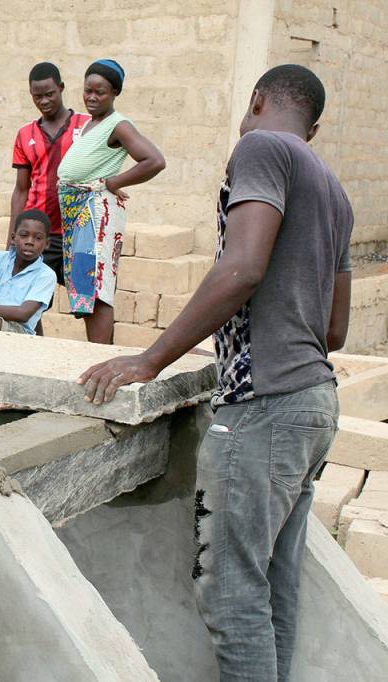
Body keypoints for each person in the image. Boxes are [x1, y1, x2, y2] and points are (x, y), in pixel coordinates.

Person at [78, 65, 352, 682]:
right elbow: (334, 332)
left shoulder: (261, 147)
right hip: (314, 405)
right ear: (317, 124)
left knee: (230, 593)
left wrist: (150, 359)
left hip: (264, 406)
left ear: (256, 101)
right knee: (270, 593)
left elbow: (244, 267)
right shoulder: (333, 189)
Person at [56, 59, 165, 344]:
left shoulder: (119, 125)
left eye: (100, 92)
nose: (91, 97)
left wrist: (114, 182)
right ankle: (98, 352)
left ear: (114, 92)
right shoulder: (92, 124)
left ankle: (99, 355)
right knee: (84, 285)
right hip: (76, 211)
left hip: (93, 212)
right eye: (87, 91)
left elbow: (154, 161)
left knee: (96, 287)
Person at [10, 62, 91, 286]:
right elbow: (21, 189)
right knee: (29, 300)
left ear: (62, 88)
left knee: (87, 301)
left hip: (78, 232)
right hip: (38, 235)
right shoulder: (25, 134)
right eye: (37, 97)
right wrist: (13, 235)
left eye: (49, 94)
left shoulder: (86, 125)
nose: (44, 101)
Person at [0, 209, 56, 334]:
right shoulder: (1, 260)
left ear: (47, 244)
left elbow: (23, 314)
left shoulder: (46, 275)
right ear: (13, 237)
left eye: (37, 238)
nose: (29, 242)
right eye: (23, 235)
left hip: (20, 330)